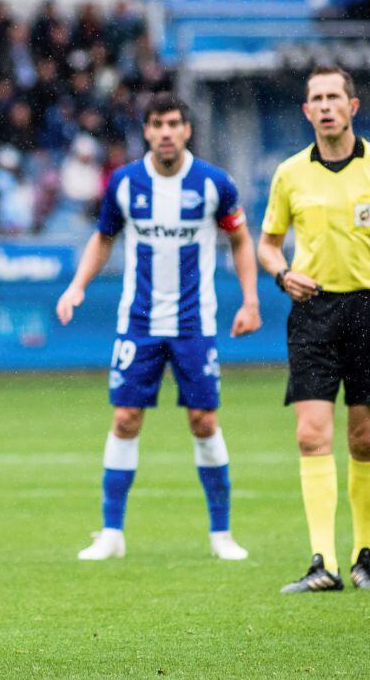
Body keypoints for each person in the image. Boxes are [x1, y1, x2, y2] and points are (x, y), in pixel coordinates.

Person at [55, 92, 261, 561]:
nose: (166, 132)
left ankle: (221, 534)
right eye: (157, 124)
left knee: (203, 420)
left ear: (187, 130)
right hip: (139, 322)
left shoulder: (214, 184)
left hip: (194, 322)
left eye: (173, 123)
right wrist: (77, 286)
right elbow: (103, 239)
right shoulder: (125, 183)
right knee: (125, 419)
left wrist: (250, 300)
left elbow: (241, 241)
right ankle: (111, 533)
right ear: (146, 131)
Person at [257, 65, 370, 593]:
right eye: (316, 99)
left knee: (364, 438)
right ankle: (321, 562)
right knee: (311, 435)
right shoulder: (289, 174)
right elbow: (267, 241)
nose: (325, 106)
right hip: (314, 314)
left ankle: (362, 554)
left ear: (353, 106)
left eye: (334, 97)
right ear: (306, 112)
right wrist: (281, 273)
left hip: (367, 311)